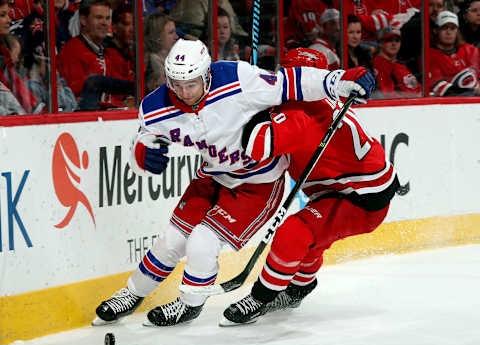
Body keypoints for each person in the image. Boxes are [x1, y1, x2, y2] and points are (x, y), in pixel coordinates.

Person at [93, 38, 375, 327]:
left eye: (191, 83)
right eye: (176, 84)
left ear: (207, 74)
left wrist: (338, 80)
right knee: (171, 240)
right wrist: (142, 154)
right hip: (213, 176)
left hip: (258, 184)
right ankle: (131, 294)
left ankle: (189, 303)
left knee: (202, 241)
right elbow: (144, 137)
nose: (184, 92)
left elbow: (290, 82)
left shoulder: (237, 78)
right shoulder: (156, 105)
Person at [220, 48, 399, 326]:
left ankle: (262, 297)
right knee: (313, 238)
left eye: (287, 72)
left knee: (294, 232)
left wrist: (249, 109)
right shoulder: (326, 100)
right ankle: (300, 287)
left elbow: (257, 146)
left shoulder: (300, 113)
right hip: (356, 189)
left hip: (360, 198)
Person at [57, 0, 134, 110]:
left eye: (107, 18)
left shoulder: (107, 53)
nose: (105, 23)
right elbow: (77, 99)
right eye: (99, 18)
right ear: (83, 20)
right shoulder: (72, 51)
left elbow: (123, 89)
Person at [429, 10, 480, 96]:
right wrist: (473, 92)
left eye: (453, 28)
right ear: (436, 30)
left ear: (457, 30)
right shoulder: (429, 55)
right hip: (452, 104)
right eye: (444, 27)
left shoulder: (471, 50)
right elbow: (442, 87)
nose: (449, 32)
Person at [372, 27, 421, 98]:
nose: (394, 44)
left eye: (397, 41)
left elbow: (419, 90)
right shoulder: (376, 65)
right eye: (389, 40)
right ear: (380, 43)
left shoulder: (401, 67)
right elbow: (386, 95)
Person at [143, 13, 178, 94]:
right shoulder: (152, 63)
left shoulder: (169, 60)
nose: (176, 37)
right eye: (171, 33)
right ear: (157, 37)